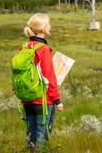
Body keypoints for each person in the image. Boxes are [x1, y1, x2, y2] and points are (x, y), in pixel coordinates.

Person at [22, 13, 64, 150]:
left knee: (30, 135)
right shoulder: (43, 49)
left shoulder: (25, 47)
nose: (50, 26)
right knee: (42, 136)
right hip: (44, 101)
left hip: (27, 99)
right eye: (48, 24)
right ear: (43, 28)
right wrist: (57, 100)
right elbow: (50, 77)